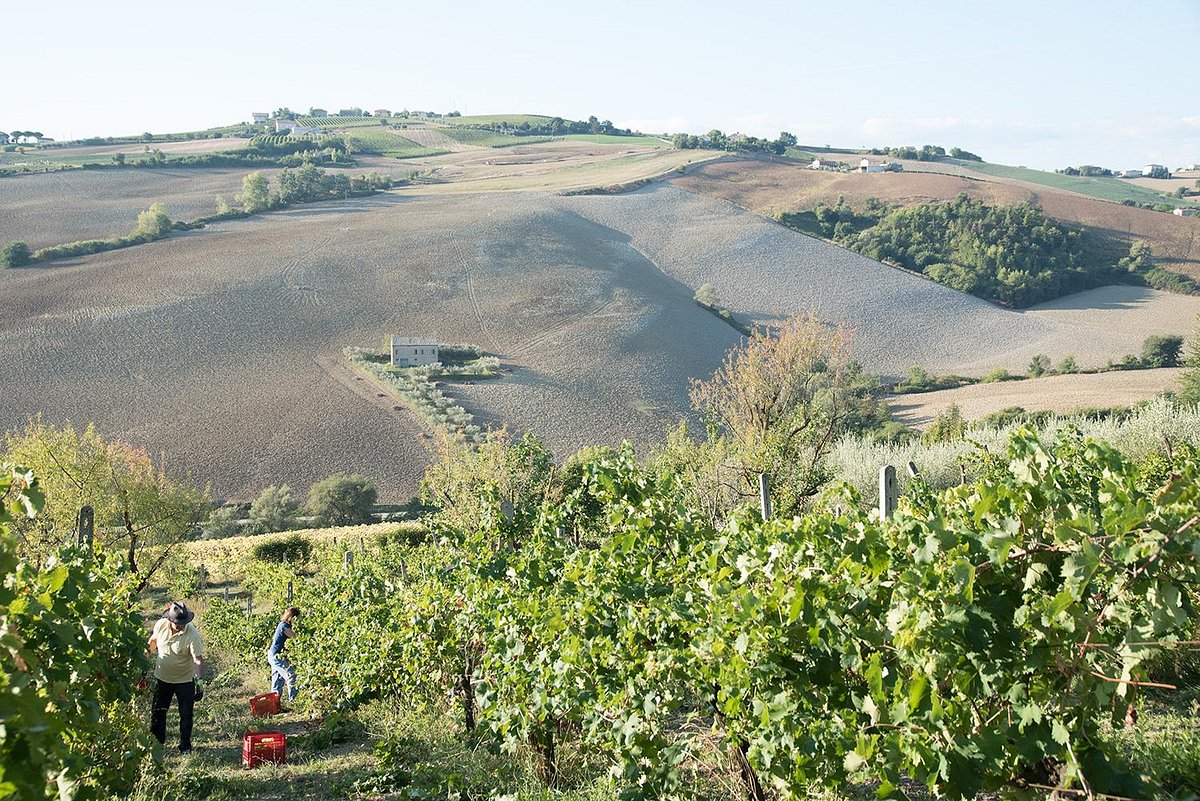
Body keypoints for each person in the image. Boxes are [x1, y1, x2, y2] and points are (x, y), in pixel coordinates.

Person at [147, 601, 204, 753]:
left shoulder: (191, 633)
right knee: (158, 712)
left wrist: (200, 682)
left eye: (184, 623)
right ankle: (157, 745)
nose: (181, 626)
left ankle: (185, 746)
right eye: (178, 623)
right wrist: (144, 658)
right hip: (162, 678)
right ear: (170, 620)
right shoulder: (161, 625)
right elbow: (153, 642)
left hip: (184, 681)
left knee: (186, 715)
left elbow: (197, 658)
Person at [267, 607, 301, 705]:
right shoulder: (284, 626)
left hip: (274, 655)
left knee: (277, 681)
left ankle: (274, 705)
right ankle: (294, 701)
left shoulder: (284, 625)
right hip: (276, 656)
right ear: (291, 617)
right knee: (291, 676)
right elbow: (295, 637)